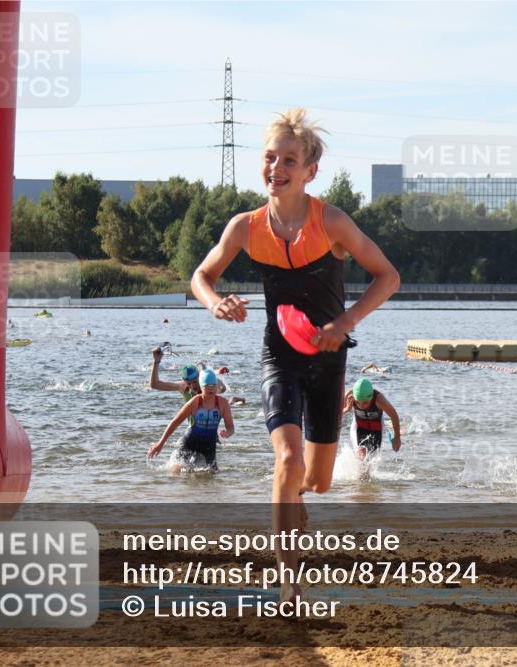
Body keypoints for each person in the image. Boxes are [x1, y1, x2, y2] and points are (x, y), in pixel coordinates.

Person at [189, 108, 400, 602]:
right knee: (287, 458)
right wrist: (216, 301)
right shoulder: (245, 227)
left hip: (329, 360)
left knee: (318, 481)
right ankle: (289, 582)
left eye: (289, 159)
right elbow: (201, 276)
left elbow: (388, 276)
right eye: (269, 157)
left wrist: (345, 323)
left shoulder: (332, 222)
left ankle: (298, 498)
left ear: (310, 171)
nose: (275, 167)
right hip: (278, 356)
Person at [147, 369, 234, 473]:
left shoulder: (223, 404)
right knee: (176, 469)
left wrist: (227, 433)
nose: (211, 389)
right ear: (202, 387)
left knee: (211, 475)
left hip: (209, 446)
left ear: (216, 386)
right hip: (190, 442)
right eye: (207, 386)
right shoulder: (195, 402)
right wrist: (160, 444)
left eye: (213, 385)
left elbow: (230, 427)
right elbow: (175, 423)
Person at [342, 377, 402, 459]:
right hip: (358, 428)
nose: (361, 406)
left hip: (376, 430)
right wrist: (346, 409)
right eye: (357, 402)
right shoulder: (349, 396)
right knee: (361, 456)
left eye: (365, 403)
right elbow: (335, 416)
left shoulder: (379, 400)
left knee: (370, 461)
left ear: (371, 397)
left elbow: (394, 416)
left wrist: (397, 437)